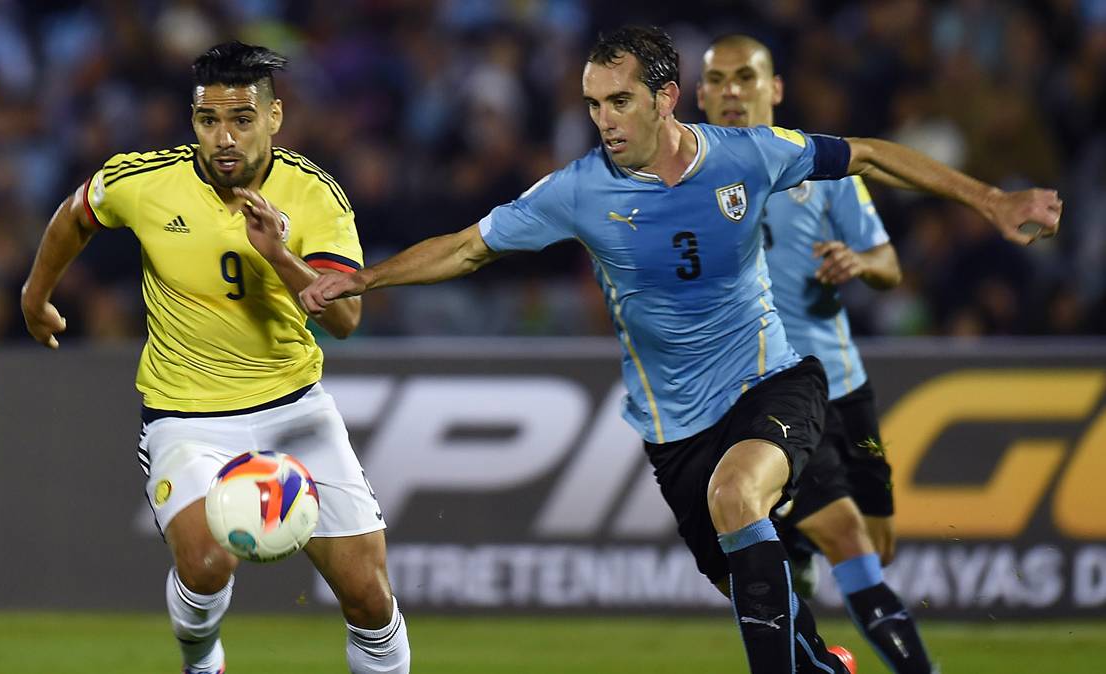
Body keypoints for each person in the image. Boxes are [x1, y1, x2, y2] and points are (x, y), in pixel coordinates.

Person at [301, 25, 1059, 674]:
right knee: (771, 608)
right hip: (676, 436)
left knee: (741, 500)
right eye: (593, 105)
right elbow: (469, 249)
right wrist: (366, 277)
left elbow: (868, 156)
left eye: (619, 102)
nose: (604, 121)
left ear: (665, 99)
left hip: (774, 383)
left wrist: (991, 199)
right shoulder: (578, 191)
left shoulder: (748, 155)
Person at [20, 42, 410, 674]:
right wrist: (37, 295)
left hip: (295, 411)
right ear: (193, 120)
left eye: (242, 120)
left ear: (275, 117)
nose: (224, 138)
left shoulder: (315, 195)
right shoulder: (144, 181)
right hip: (187, 415)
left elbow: (345, 319)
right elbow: (76, 215)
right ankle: (202, 661)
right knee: (205, 563)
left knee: (369, 598)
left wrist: (278, 254)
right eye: (209, 121)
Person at [697, 34, 933, 673]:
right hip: (768, 391)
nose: (732, 93)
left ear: (774, 90)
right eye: (717, 81)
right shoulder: (687, 177)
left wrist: (860, 262)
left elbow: (890, 265)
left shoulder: (823, 173)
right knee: (846, 536)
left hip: (847, 389)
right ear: (700, 95)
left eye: (746, 78)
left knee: (874, 544)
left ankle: (813, 639)